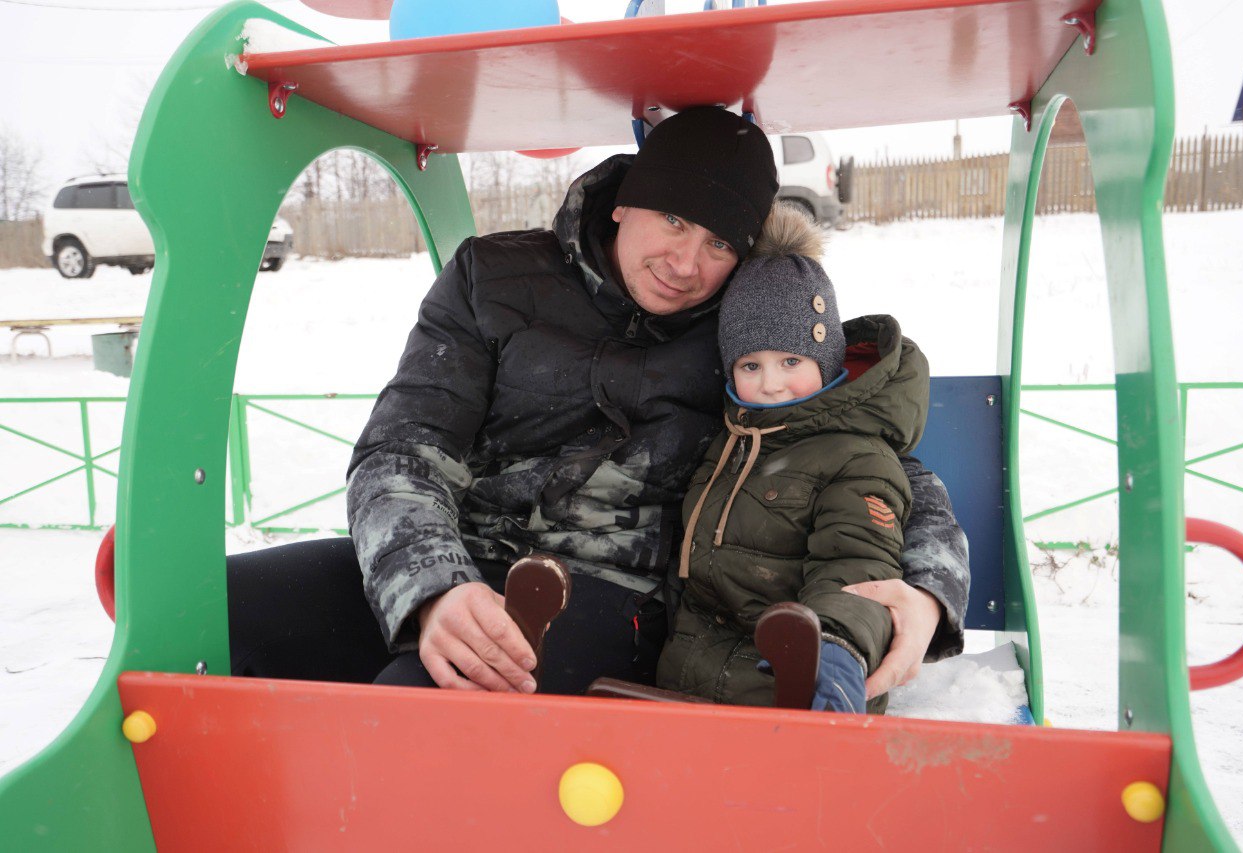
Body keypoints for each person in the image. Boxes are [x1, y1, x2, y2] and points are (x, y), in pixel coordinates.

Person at [229, 107, 970, 699]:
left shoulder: (746, 334)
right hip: (452, 554)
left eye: (719, 244)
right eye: (674, 221)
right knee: (220, 613)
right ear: (625, 203)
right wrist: (432, 589)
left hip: (609, 595)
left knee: (418, 707)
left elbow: (864, 453)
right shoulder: (493, 280)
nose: (686, 264)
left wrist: (928, 591)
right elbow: (402, 448)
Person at [655, 203, 925, 714]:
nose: (771, 383)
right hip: (691, 690)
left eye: (791, 361)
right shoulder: (733, 440)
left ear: (826, 361)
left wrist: (838, 649)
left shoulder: (856, 458)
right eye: (750, 365)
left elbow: (855, 562)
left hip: (797, 691)